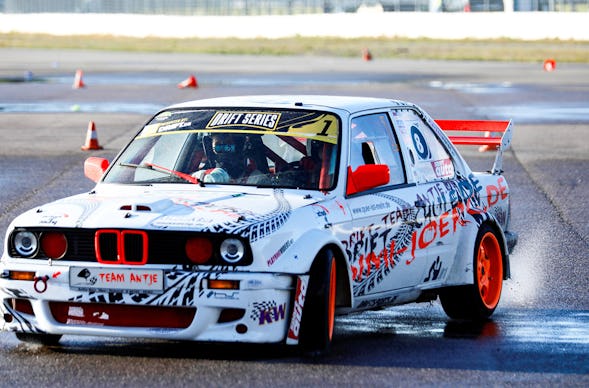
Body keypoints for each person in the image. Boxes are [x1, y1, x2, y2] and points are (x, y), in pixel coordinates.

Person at [193, 133, 268, 185]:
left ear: (239, 147)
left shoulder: (256, 179)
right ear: (211, 149)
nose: (224, 150)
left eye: (228, 145)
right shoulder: (201, 177)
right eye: (218, 145)